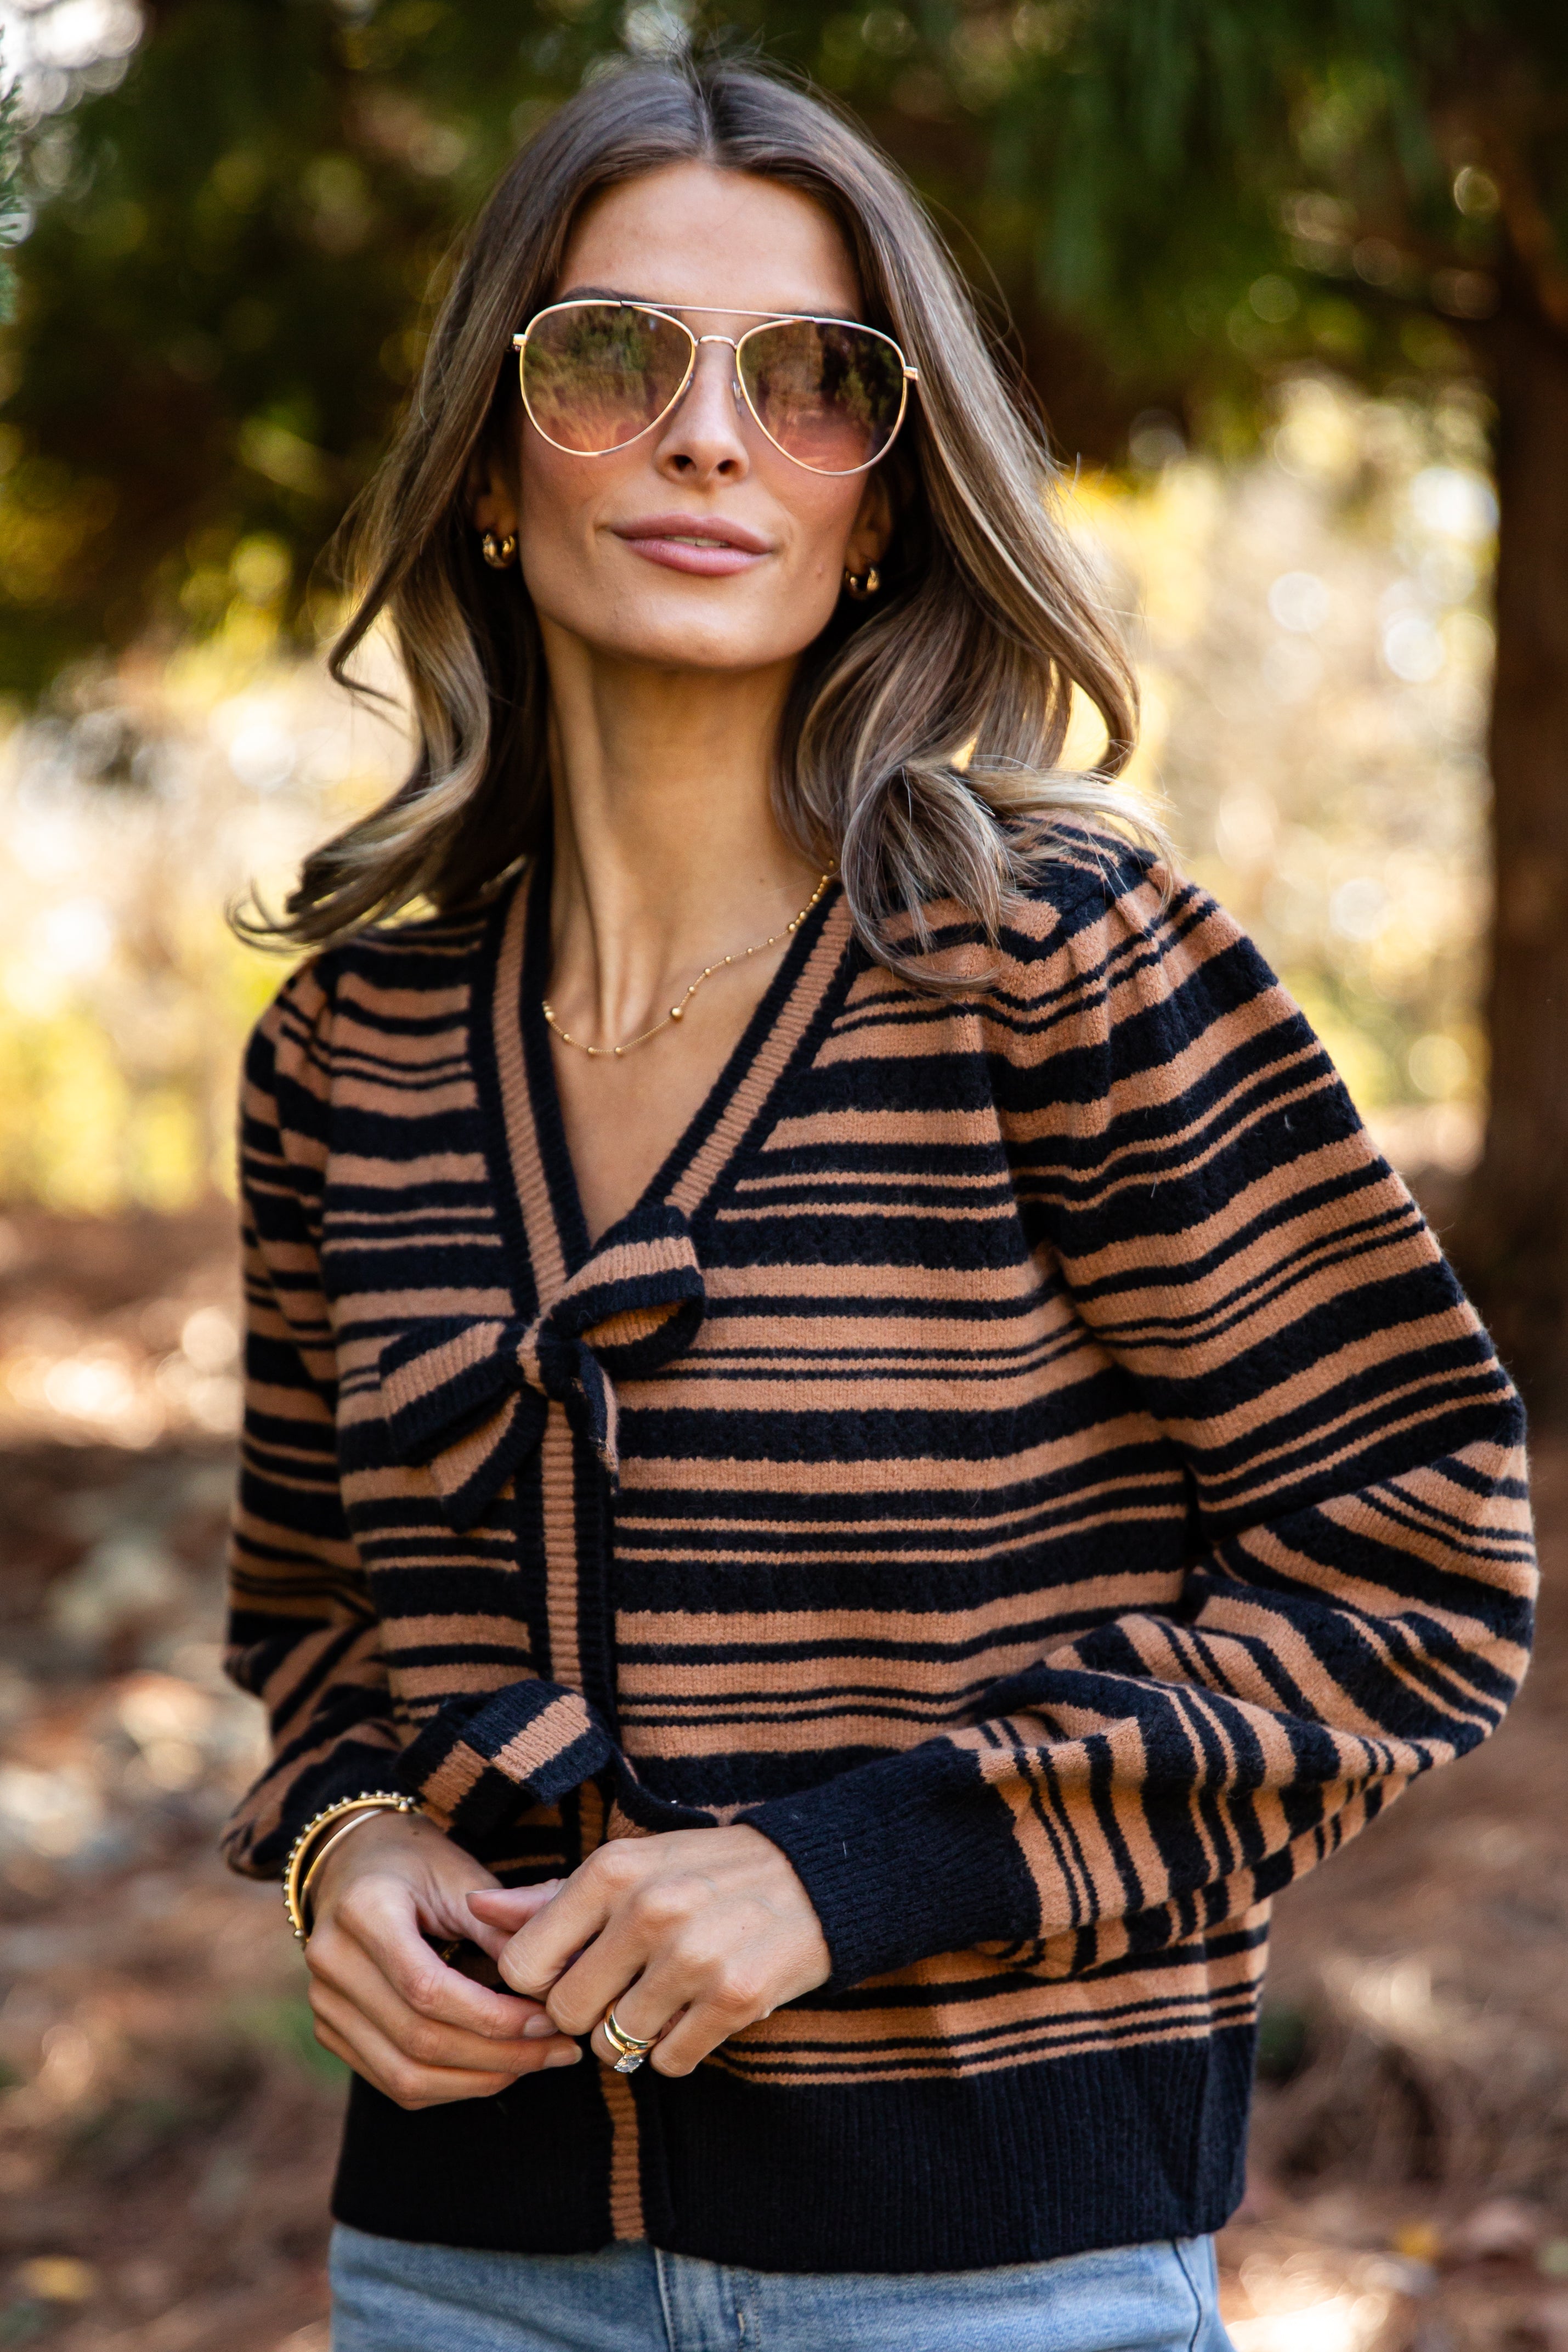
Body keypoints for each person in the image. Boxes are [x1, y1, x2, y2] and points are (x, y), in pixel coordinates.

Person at [220, 53, 1536, 2352]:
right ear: (496, 465)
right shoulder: (350, 1063)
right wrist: (351, 1851)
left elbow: (1412, 1564)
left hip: (996, 2277)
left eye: (812, 379)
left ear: (886, 498)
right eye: (612, 359)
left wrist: (852, 1873)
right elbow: (318, 1636)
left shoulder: (1057, 970)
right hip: (458, 2270)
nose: (710, 437)